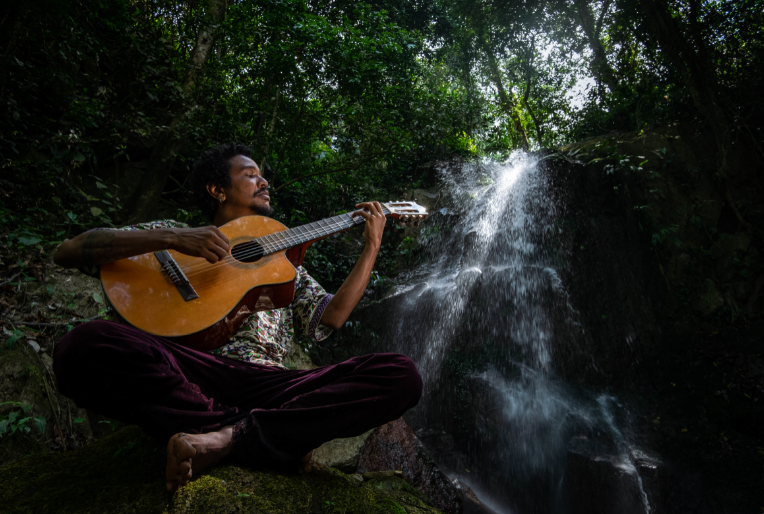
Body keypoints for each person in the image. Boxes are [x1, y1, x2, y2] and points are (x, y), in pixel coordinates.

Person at [52, 143, 422, 492]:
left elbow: (332, 316)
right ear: (217, 189)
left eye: (263, 176)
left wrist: (372, 245)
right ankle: (263, 434)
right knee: (82, 344)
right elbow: (69, 251)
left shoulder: (285, 265)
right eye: (250, 174)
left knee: (400, 375)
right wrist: (175, 237)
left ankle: (226, 437)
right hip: (188, 372)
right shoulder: (170, 234)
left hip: (266, 385)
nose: (264, 182)